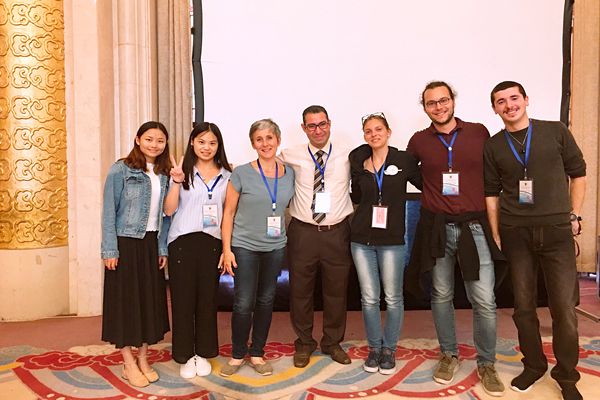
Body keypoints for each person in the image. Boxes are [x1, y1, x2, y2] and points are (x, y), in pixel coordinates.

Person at [484, 81, 586, 400]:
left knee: (564, 308)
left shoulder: (555, 131)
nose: (509, 105)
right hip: (516, 232)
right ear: (495, 109)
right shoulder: (494, 145)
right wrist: (496, 231)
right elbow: (491, 193)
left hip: (556, 231)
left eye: (514, 98)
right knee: (523, 308)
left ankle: (567, 375)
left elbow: (578, 174)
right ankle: (534, 365)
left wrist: (574, 215)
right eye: (501, 101)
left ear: (526, 100)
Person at [406, 81, 505, 396]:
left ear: (453, 101)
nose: (438, 107)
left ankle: (486, 363)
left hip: (475, 227)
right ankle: (448, 354)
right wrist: (432, 190)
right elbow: (409, 172)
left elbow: (493, 172)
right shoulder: (418, 141)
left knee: (484, 299)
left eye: (443, 100)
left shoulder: (478, 132)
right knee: (441, 295)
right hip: (437, 228)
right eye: (431, 103)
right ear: (425, 107)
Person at [219, 119, 295, 377]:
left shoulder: (289, 173)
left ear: (278, 140)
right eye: (259, 139)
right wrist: (227, 249)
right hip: (244, 246)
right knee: (243, 302)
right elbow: (228, 212)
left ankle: (257, 353)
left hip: (275, 246)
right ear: (253, 144)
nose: (265, 144)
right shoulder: (241, 172)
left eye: (269, 138)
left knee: (266, 300)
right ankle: (237, 354)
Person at [280, 105, 354, 368]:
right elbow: (265, 167)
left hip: (337, 232)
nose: (318, 130)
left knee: (337, 292)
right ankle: (304, 343)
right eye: (311, 126)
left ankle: (332, 342)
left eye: (322, 124)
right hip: (303, 233)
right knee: (300, 292)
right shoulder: (289, 155)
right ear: (304, 128)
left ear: (329, 124)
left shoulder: (348, 155)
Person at [349, 113, 421, 374]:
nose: (374, 134)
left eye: (378, 129)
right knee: (369, 298)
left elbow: (426, 184)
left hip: (392, 240)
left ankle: (389, 349)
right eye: (368, 131)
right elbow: (357, 196)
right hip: (361, 240)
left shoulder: (403, 160)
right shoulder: (360, 162)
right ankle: (374, 348)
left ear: (388, 132)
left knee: (393, 297)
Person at [101, 121, 171, 388]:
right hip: (126, 243)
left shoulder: (164, 173)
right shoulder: (121, 169)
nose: (154, 144)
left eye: (160, 140)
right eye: (149, 139)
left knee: (149, 303)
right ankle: (127, 362)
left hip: (151, 243)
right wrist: (110, 249)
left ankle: (142, 358)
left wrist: (162, 247)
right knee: (126, 303)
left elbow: (165, 215)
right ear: (138, 139)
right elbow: (109, 211)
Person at [163, 122, 232, 378]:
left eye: (212, 143)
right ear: (192, 142)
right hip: (182, 241)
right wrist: (176, 182)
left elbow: (229, 213)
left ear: (218, 146)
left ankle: (202, 353)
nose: (206, 147)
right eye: (201, 142)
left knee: (207, 300)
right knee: (182, 300)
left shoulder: (228, 175)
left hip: (212, 242)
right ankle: (184, 354)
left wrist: (226, 247)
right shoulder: (182, 172)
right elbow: (168, 210)